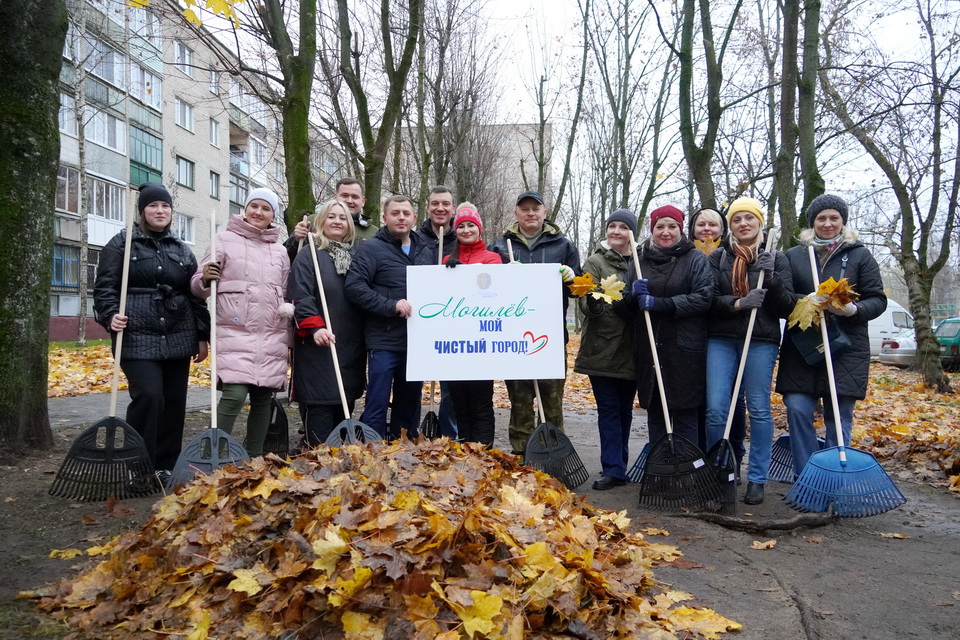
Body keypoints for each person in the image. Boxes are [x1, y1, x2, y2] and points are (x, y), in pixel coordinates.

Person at [93, 182, 210, 478]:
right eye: (153, 206)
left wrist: (202, 335)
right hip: (136, 333)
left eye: (165, 206)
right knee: (149, 395)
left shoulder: (181, 249)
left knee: (173, 402)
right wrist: (109, 316)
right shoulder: (122, 243)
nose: (160, 211)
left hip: (177, 332)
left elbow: (195, 296)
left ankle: (165, 465)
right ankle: (139, 463)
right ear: (143, 211)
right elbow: (104, 287)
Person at [776, 194, 887, 478]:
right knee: (798, 409)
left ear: (842, 221)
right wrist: (808, 300)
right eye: (821, 218)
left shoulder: (859, 254)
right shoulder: (795, 255)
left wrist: (853, 310)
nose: (827, 224)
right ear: (812, 222)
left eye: (833, 218)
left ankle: (835, 477)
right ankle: (808, 476)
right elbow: (783, 298)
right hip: (804, 347)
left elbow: (878, 299)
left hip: (846, 348)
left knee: (838, 416)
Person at [704, 197, 795, 505]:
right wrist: (738, 303)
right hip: (721, 339)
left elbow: (787, 307)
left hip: (761, 340)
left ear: (759, 223)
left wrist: (772, 278)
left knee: (758, 408)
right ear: (731, 226)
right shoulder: (718, 257)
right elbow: (708, 300)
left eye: (749, 218)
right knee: (716, 408)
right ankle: (719, 469)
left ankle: (757, 478)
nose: (743, 224)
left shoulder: (775, 258)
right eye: (737, 219)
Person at [190, 188, 292, 457]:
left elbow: (285, 292)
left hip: (271, 334)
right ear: (245, 209)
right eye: (254, 206)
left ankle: (253, 456)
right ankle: (213, 454)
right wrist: (204, 279)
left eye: (266, 208)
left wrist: (289, 335)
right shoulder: (223, 240)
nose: (259, 212)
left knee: (263, 399)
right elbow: (198, 287)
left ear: (272, 216)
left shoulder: (280, 251)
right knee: (234, 395)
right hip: (235, 331)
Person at [491, 190, 580, 455]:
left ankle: (553, 453)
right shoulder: (500, 246)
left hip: (550, 336)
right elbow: (487, 294)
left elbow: (579, 289)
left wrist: (572, 278)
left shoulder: (563, 246)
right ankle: (522, 454)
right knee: (519, 400)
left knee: (551, 400)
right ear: (516, 213)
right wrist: (501, 275)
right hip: (514, 338)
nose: (530, 213)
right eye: (525, 209)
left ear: (545, 213)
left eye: (535, 209)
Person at [626, 205, 713, 450]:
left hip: (684, 349)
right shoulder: (638, 260)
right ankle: (661, 471)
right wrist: (632, 295)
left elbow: (704, 297)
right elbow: (623, 304)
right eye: (660, 227)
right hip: (649, 347)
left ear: (681, 229)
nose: (666, 232)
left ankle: (687, 472)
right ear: (652, 230)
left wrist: (660, 303)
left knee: (685, 414)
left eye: (672, 226)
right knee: (656, 413)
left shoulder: (694, 258)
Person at [345, 195, 425, 439]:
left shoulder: (426, 249)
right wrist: (390, 306)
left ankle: (405, 449)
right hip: (384, 340)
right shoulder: (371, 248)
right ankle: (372, 451)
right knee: (377, 400)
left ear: (414, 218)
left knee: (410, 400)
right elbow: (354, 287)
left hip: (417, 341)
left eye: (405, 213)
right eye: (395, 213)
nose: (401, 217)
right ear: (384, 218)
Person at [287, 199, 365, 445]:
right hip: (318, 345)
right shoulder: (309, 254)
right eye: (331, 217)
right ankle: (316, 464)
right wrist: (316, 327)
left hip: (350, 344)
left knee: (344, 406)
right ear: (321, 221)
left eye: (342, 218)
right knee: (321, 409)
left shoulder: (356, 256)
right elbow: (301, 294)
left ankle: (341, 474)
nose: (337, 222)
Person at [574, 209, 638, 490]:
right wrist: (595, 305)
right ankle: (612, 468)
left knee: (625, 410)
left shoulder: (640, 261)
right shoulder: (595, 261)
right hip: (602, 348)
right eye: (612, 226)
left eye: (623, 227)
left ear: (632, 233)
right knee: (609, 410)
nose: (616, 231)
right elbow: (584, 297)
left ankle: (620, 464)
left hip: (634, 349)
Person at [441, 203, 504, 446]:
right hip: (455, 341)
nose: (466, 230)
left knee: (480, 401)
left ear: (480, 229)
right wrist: (448, 273)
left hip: (482, 342)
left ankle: (484, 449)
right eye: (461, 226)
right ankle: (467, 449)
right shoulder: (447, 259)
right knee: (459, 402)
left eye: (471, 225)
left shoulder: (493, 258)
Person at [689, 206, 748, 468]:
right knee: (703, 399)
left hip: (724, 336)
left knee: (732, 399)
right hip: (692, 338)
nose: (707, 229)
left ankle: (733, 451)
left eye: (713, 225)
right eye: (701, 224)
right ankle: (701, 453)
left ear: (722, 231)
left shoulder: (731, 257)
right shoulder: (686, 256)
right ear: (692, 229)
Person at [414, 185, 459, 438]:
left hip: (452, 323)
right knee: (412, 383)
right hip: (418, 322)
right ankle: (410, 433)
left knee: (451, 386)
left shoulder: (461, 239)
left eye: (445, 204)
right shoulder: (414, 238)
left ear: (453, 208)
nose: (440, 208)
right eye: (435, 203)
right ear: (428, 207)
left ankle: (448, 434)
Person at [336, 177, 378, 241]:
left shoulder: (374, 233)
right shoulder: (317, 223)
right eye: (344, 195)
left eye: (355, 197)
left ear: (363, 201)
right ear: (335, 197)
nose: (349, 201)